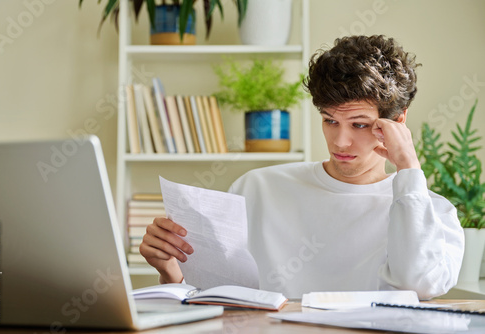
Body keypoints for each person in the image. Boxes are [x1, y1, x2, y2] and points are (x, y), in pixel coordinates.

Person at [140, 35, 464, 300]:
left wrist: (408, 166)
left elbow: (416, 284)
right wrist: (172, 270)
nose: (340, 142)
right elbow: (216, 298)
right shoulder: (257, 187)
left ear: (398, 121)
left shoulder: (432, 211)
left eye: (360, 125)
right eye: (330, 121)